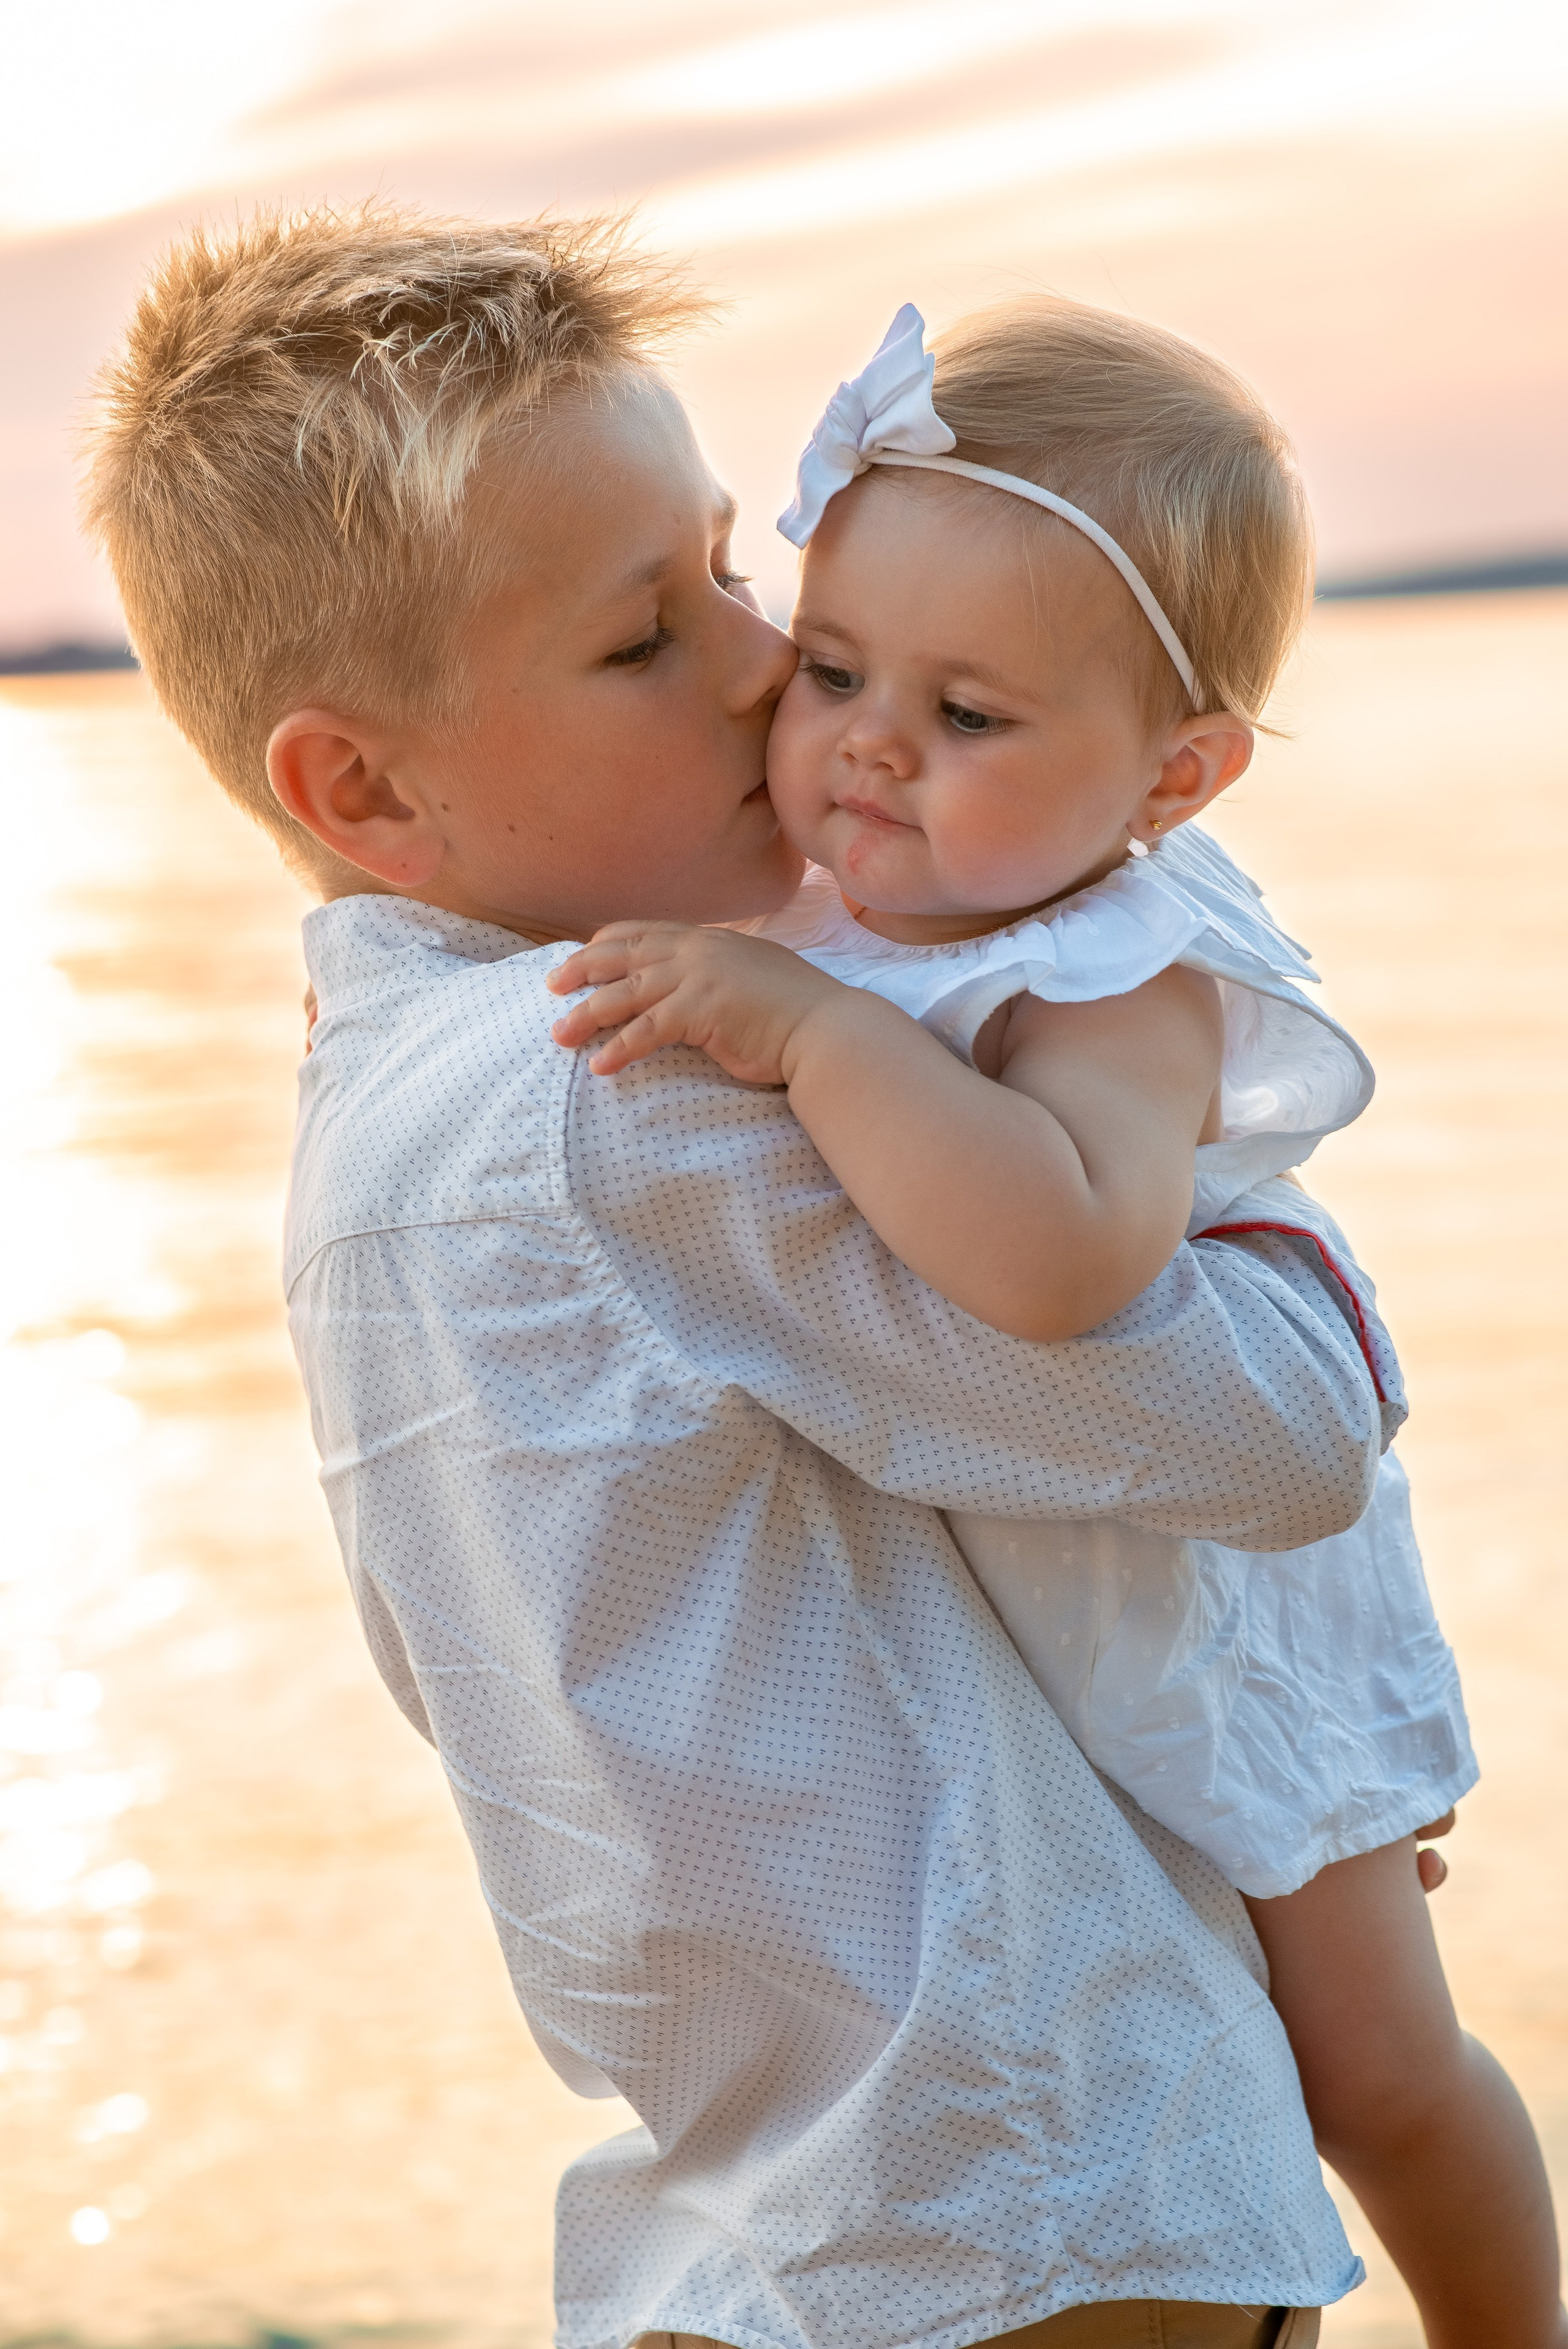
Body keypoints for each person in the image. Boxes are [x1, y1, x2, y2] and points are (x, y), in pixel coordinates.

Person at [88, 203, 1414, 2349]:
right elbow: (1273, 1437)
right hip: (1034, 2189)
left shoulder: (372, 1112)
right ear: (367, 787)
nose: (755, 659)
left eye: (726, 564)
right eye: (640, 640)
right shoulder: (627, 1095)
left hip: (782, 2204)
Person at [546, 300, 1567, 2349]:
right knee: (1177, 1991)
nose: (867, 746)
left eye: (974, 714)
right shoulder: (824, 892)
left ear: (1173, 776)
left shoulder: (1121, 980)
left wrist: (823, 1042)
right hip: (1028, 1632)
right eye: (832, 668)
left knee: (1367, 2055)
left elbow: (1073, 1257)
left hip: (1210, 1601)